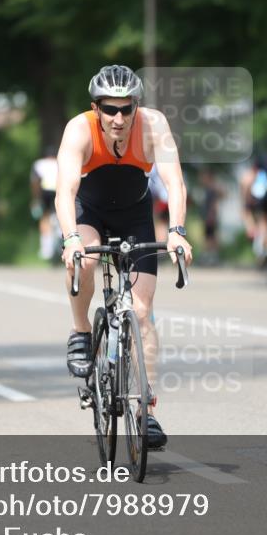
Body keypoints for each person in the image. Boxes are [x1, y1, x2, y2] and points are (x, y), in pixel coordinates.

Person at [56, 64, 193, 450]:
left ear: (136, 106)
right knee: (82, 260)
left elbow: (174, 182)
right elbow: (64, 191)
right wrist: (70, 238)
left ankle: (145, 413)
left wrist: (178, 231)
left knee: (143, 310)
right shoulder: (79, 129)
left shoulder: (153, 126)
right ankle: (81, 330)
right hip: (90, 213)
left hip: (134, 214)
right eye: (109, 109)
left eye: (126, 109)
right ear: (95, 108)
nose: (118, 118)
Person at [30, 149, 60, 260]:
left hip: (45, 192)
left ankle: (46, 249)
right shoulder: (60, 161)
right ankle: (59, 239)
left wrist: (36, 199)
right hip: (58, 191)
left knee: (44, 218)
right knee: (59, 217)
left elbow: (35, 182)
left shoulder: (39, 164)